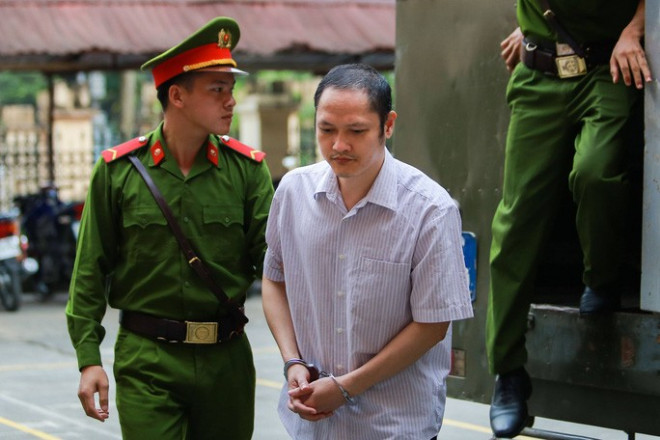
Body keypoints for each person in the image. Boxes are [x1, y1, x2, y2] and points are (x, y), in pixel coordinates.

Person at [65, 17, 273, 439]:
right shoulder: (118, 173)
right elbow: (89, 270)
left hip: (226, 360)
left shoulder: (247, 171)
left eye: (231, 89)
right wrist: (89, 358)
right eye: (217, 89)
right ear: (177, 95)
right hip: (148, 360)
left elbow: (276, 267)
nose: (231, 101)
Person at [261, 63, 474, 439]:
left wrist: (346, 387)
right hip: (311, 424)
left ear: (388, 125)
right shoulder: (293, 192)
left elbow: (432, 325)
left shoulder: (429, 209)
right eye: (327, 129)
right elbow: (274, 279)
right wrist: (292, 360)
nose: (339, 145)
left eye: (356, 131)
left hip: (393, 424)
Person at [487, 1, 652, 438]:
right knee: (516, 221)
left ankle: (601, 279)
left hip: (605, 68)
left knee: (595, 173)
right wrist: (535, 27)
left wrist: (636, 29)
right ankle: (508, 373)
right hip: (539, 75)